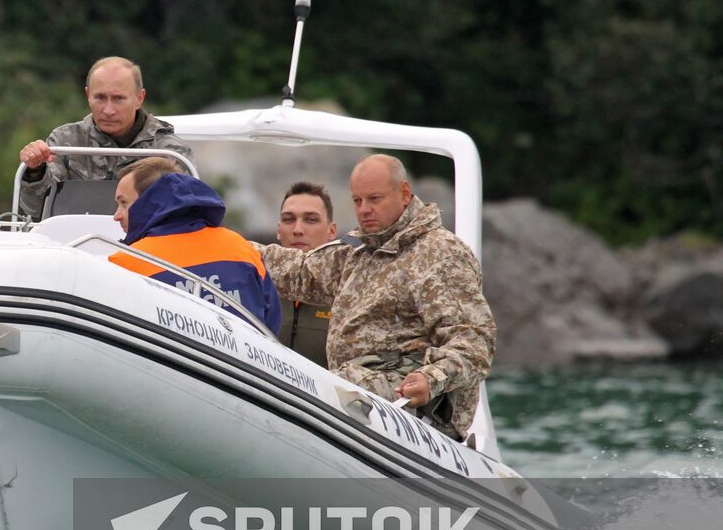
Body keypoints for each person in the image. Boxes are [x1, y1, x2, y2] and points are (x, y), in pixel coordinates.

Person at [256, 155, 495, 441]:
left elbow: (475, 341)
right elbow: (301, 271)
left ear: (404, 194)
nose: (364, 210)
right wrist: (232, 248)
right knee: (317, 381)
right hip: (358, 384)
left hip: (411, 398)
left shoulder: (439, 252)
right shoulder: (358, 248)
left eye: (374, 199)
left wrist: (430, 379)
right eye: (357, 201)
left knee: (327, 386)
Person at [109, 157, 281, 331]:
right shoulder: (242, 248)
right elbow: (270, 326)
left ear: (148, 202)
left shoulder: (125, 263)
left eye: (124, 203)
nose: (117, 215)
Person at [17, 56, 191, 219]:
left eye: (118, 99)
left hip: (142, 248)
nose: (108, 110)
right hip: (73, 245)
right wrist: (35, 171)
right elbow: (36, 209)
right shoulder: (64, 141)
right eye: (100, 97)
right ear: (88, 96)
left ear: (139, 98)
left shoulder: (169, 151)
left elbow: (181, 214)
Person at [274, 181, 340, 367]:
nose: (297, 230)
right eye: (289, 219)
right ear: (279, 230)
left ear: (332, 231)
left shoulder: (347, 292)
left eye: (311, 220)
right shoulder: (257, 285)